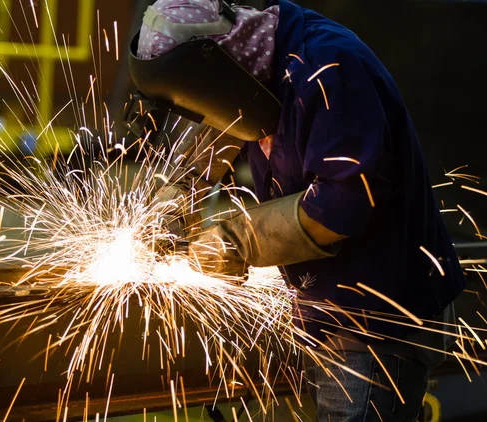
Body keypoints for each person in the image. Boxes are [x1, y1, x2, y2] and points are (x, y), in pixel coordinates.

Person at [128, 1, 466, 420]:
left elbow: (340, 205)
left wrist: (235, 241)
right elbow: (225, 119)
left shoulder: (329, 67)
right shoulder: (254, 57)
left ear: (217, 62)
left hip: (376, 320)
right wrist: (177, 193)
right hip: (326, 309)